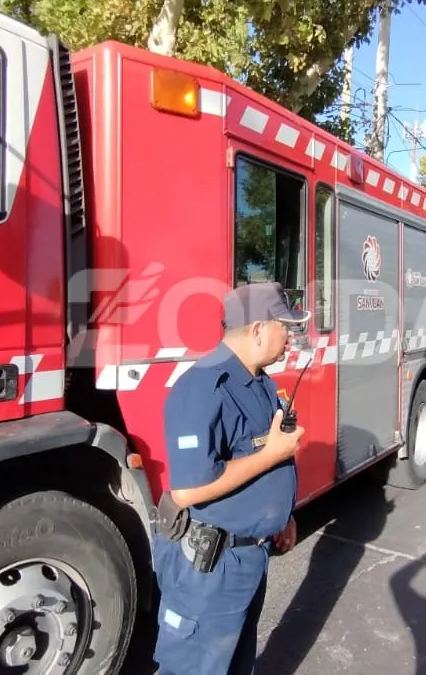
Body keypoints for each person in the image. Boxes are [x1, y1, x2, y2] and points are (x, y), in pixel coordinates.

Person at [151, 281, 308, 675]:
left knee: (237, 665)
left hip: (249, 559)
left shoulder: (260, 383)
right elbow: (188, 490)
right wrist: (273, 452)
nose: (290, 336)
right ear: (257, 330)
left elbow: (262, 459)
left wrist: (284, 516)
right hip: (210, 571)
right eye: (284, 327)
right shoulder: (203, 386)